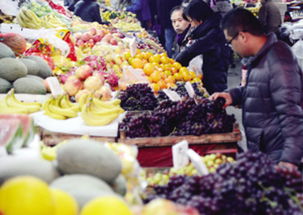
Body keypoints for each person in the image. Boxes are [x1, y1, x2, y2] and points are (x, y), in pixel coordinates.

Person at [211, 8, 303, 169]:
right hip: (265, 150)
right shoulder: (262, 56)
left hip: (277, 155)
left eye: (229, 42)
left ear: (242, 36)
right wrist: (233, 95)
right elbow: (260, 90)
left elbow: (292, 113)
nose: (231, 47)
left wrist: (289, 160)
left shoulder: (278, 61)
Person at [175, 0, 230, 95]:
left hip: (215, 77)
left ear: (199, 18)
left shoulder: (213, 32)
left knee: (215, 101)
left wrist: (175, 64)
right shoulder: (210, 27)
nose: (191, 25)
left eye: (191, 21)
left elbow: (194, 49)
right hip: (213, 74)